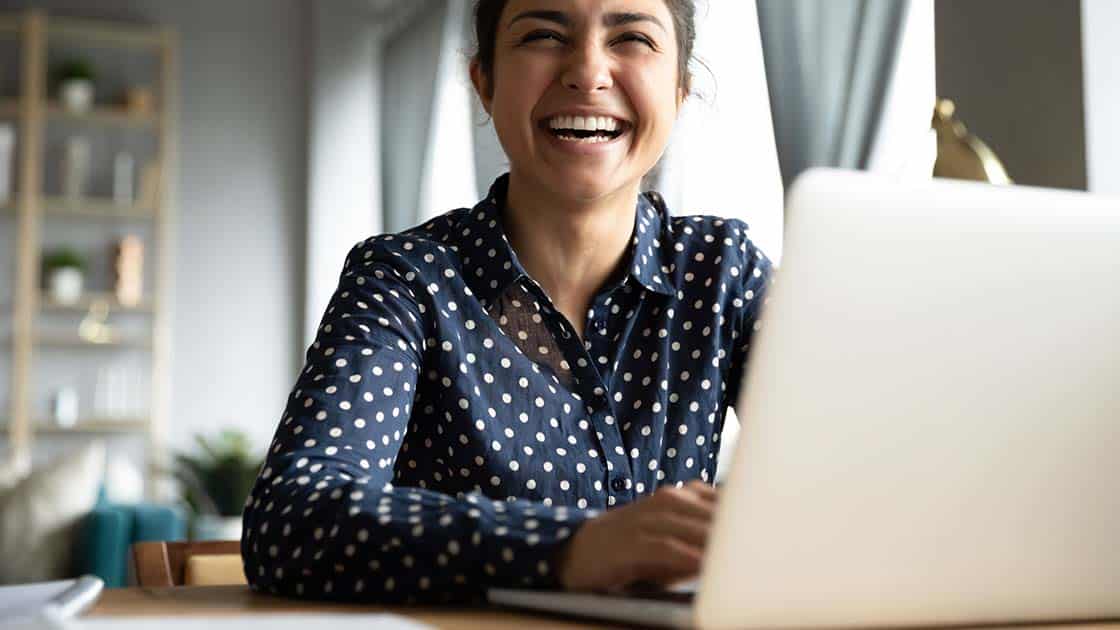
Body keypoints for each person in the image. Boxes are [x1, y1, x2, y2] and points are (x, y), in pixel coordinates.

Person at [242, 0, 771, 603]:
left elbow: (845, 481)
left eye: (631, 39)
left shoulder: (725, 271)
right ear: (484, 83)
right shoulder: (404, 279)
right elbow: (290, 522)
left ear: (679, 90)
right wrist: (574, 546)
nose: (589, 73)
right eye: (545, 35)